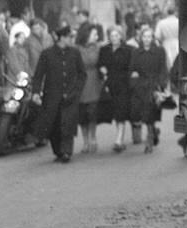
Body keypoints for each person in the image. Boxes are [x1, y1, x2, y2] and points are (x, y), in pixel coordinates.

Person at [31, 24, 85, 162]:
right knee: (54, 124)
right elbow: (38, 75)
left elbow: (82, 74)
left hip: (71, 95)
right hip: (52, 96)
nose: (70, 40)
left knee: (68, 123)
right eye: (68, 37)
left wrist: (77, 90)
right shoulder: (47, 54)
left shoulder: (75, 53)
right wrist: (36, 92)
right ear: (61, 38)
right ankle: (58, 151)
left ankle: (67, 151)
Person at [128, 26, 168, 153]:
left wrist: (162, 85)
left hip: (154, 85)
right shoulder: (136, 52)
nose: (146, 39)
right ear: (141, 38)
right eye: (144, 37)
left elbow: (163, 69)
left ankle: (149, 140)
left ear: (152, 38)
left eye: (149, 37)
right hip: (140, 86)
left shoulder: (159, 51)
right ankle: (154, 131)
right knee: (140, 112)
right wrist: (134, 81)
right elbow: (132, 69)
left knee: (150, 113)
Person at [98, 25, 133, 152]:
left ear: (121, 36)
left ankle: (119, 139)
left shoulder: (128, 50)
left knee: (121, 110)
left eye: (117, 35)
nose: (114, 38)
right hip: (109, 83)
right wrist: (102, 70)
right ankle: (119, 137)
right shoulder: (104, 50)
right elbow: (100, 64)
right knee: (113, 110)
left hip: (123, 84)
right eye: (112, 36)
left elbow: (132, 66)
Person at [76, 24, 104, 153]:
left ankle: (93, 137)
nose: (97, 37)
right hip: (81, 82)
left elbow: (94, 62)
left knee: (92, 111)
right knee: (82, 114)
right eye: (94, 34)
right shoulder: (77, 48)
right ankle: (85, 140)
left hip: (93, 81)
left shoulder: (97, 48)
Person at [154, 4, 180, 70]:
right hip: (177, 43)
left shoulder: (161, 23)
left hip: (166, 44)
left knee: (167, 62)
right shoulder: (178, 21)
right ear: (175, 12)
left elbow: (157, 36)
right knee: (177, 63)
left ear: (167, 12)